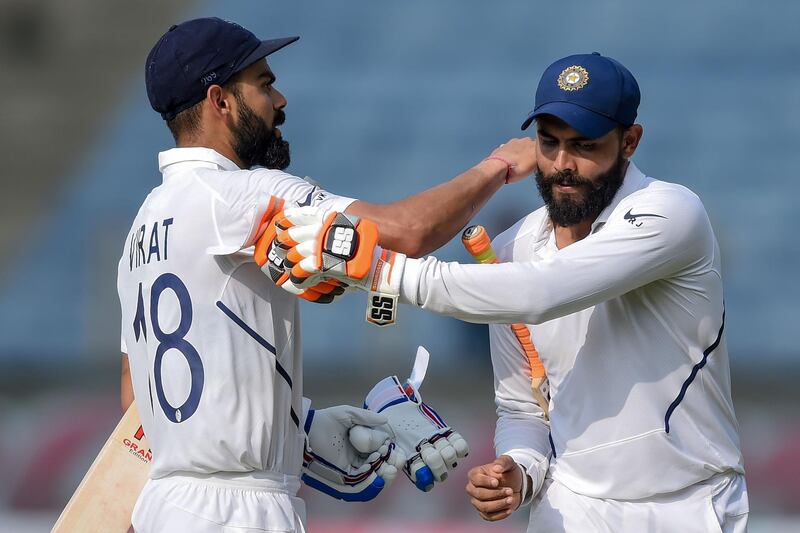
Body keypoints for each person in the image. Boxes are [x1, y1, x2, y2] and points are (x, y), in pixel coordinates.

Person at [273, 53, 748, 532]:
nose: (563, 165)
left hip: (685, 508)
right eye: (549, 143)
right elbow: (524, 406)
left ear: (630, 141)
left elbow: (543, 292)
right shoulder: (512, 248)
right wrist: (519, 471)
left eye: (585, 145)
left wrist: (378, 269)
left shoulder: (670, 213)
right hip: (570, 513)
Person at [117, 17, 535, 533]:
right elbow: (409, 230)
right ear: (220, 100)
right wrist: (498, 166)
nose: (281, 100)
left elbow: (136, 401)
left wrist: (303, 428)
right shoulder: (242, 194)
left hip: (165, 505)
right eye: (265, 84)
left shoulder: (142, 227)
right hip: (239, 513)